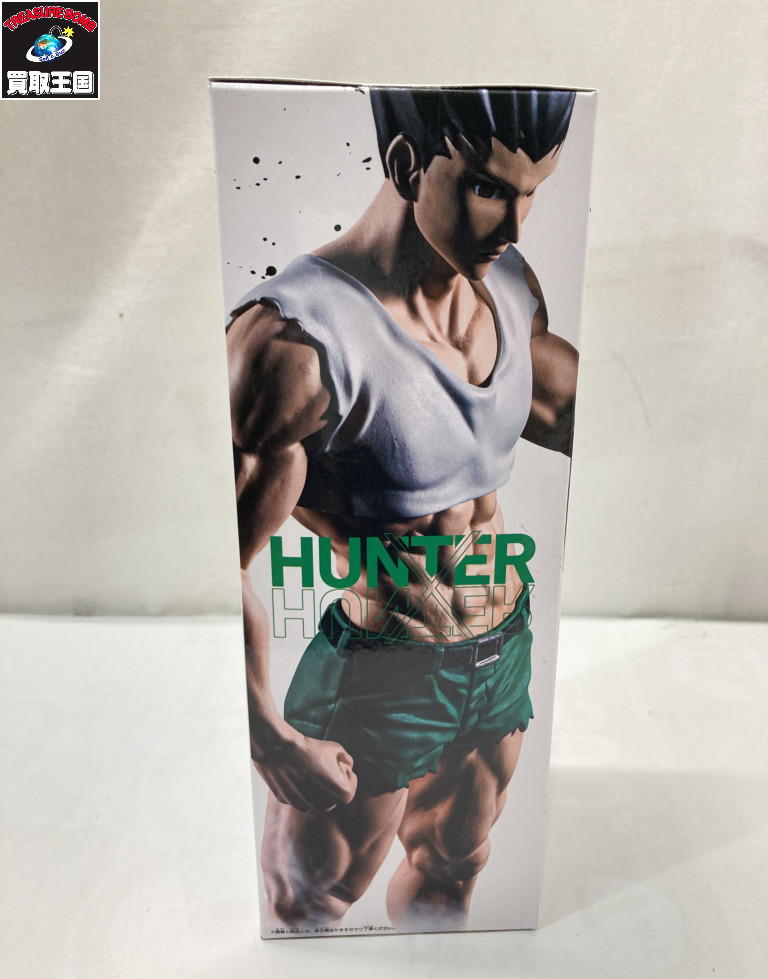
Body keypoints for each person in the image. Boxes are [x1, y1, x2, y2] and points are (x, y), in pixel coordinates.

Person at [226, 87, 578, 931]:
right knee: (307, 902)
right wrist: (269, 736)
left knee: (454, 867)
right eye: (488, 189)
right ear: (407, 164)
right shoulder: (296, 343)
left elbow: (566, 409)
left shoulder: (510, 289)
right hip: (379, 673)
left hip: (501, 651)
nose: (514, 226)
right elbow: (215, 561)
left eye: (532, 194)